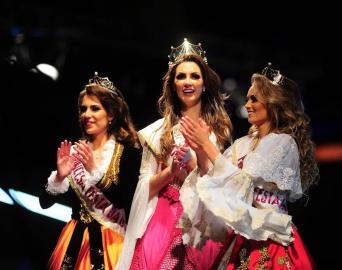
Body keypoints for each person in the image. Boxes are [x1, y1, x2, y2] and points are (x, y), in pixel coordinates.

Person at [179, 63, 319, 269]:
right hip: (243, 235)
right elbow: (221, 180)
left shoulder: (283, 142)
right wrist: (200, 151)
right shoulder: (242, 144)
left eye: (254, 99)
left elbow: (242, 183)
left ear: (273, 103)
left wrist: (206, 144)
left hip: (269, 238)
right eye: (247, 99)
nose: (247, 105)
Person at [116, 39, 233, 270]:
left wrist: (195, 161)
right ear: (173, 84)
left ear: (205, 83)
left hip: (198, 220)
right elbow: (144, 186)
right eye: (181, 76)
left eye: (194, 76)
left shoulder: (220, 130)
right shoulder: (156, 132)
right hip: (162, 218)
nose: (187, 82)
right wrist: (171, 172)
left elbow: (221, 185)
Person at [39, 73, 142, 270]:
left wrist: (94, 171)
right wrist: (60, 176)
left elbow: (127, 202)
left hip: (111, 241)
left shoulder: (128, 153)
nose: (87, 114)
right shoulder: (76, 151)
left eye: (95, 108)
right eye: (83, 109)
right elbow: (44, 203)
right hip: (73, 239)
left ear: (111, 114)